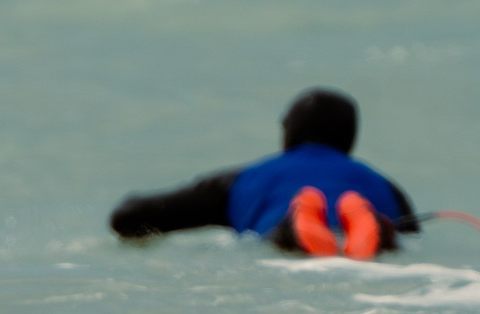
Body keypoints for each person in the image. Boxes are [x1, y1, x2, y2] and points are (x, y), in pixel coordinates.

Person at [110, 87, 420, 259]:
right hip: (366, 230)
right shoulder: (386, 187)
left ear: (289, 131)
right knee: (379, 241)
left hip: (285, 233)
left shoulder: (242, 181)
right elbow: (416, 238)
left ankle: (297, 224)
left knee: (280, 239)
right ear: (350, 138)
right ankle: (369, 226)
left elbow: (130, 218)